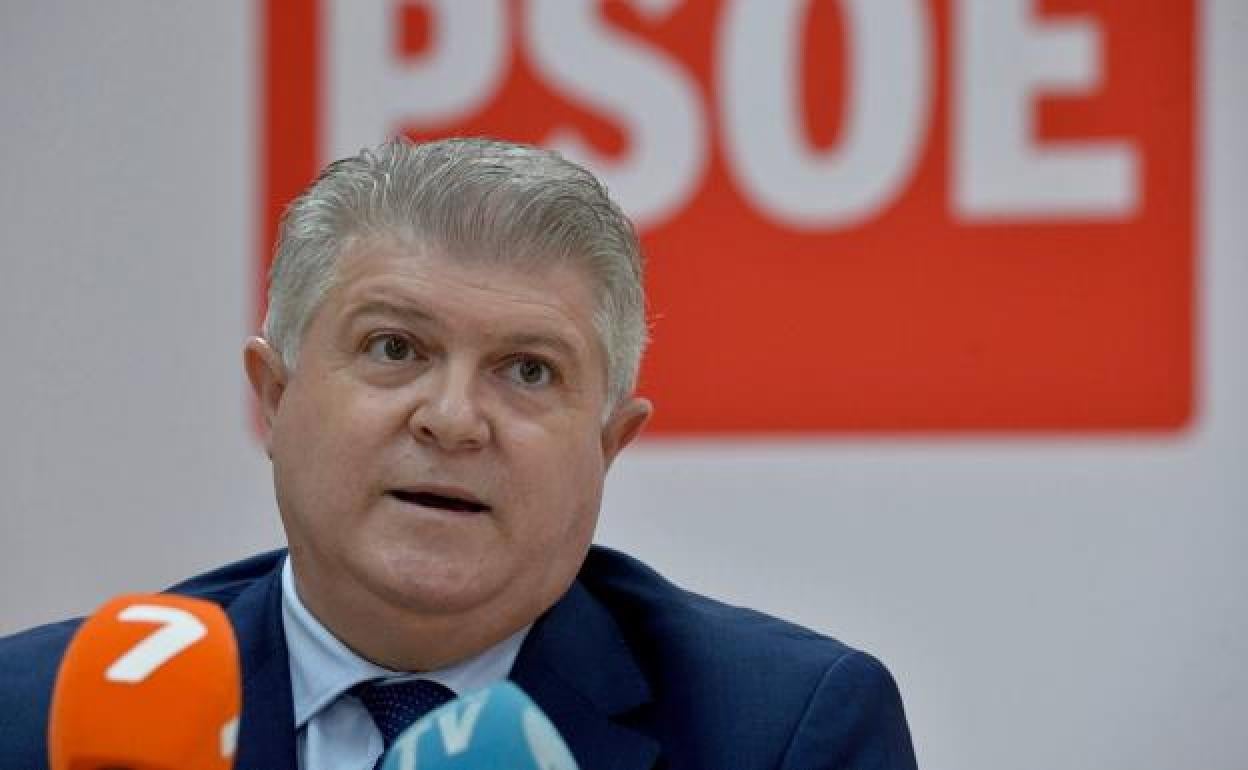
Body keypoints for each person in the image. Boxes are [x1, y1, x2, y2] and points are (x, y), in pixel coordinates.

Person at [0, 137, 918, 769]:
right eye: (395, 348)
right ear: (274, 396)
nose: (453, 419)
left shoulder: (778, 734)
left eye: (528, 369)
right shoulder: (33, 718)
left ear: (608, 446)